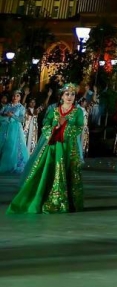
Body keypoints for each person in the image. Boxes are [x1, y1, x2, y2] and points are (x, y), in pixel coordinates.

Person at [8, 85, 85, 215]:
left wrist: (65, 127)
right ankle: (47, 198)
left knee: (68, 171)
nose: (69, 97)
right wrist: (56, 127)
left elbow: (79, 127)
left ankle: (67, 202)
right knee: (48, 170)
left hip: (69, 148)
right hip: (53, 147)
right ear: (61, 96)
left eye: (72, 94)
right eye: (67, 94)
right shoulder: (54, 111)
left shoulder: (78, 112)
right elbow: (45, 126)